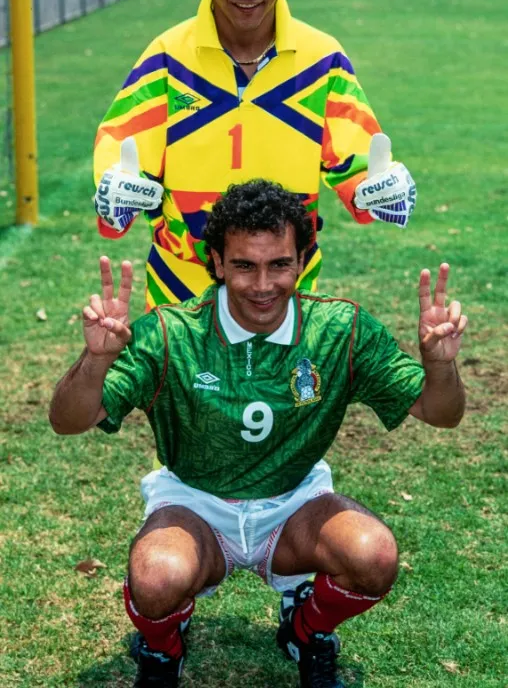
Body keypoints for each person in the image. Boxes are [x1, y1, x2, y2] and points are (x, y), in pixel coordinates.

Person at [50, 180, 466, 688]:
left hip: (294, 503)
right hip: (196, 503)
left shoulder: (340, 330)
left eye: (280, 264)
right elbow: (68, 420)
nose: (263, 284)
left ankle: (306, 629)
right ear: (218, 263)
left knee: (373, 555)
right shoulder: (171, 333)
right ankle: (162, 649)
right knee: (157, 577)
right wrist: (95, 361)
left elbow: (440, 412)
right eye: (244, 265)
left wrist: (439, 366)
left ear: (302, 260)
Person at [93, 0, 416, 311]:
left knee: (291, 381)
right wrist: (113, 189)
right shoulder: (166, 59)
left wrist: (380, 188)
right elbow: (121, 158)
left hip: (286, 290)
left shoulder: (323, 60)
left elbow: (360, 163)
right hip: (182, 294)